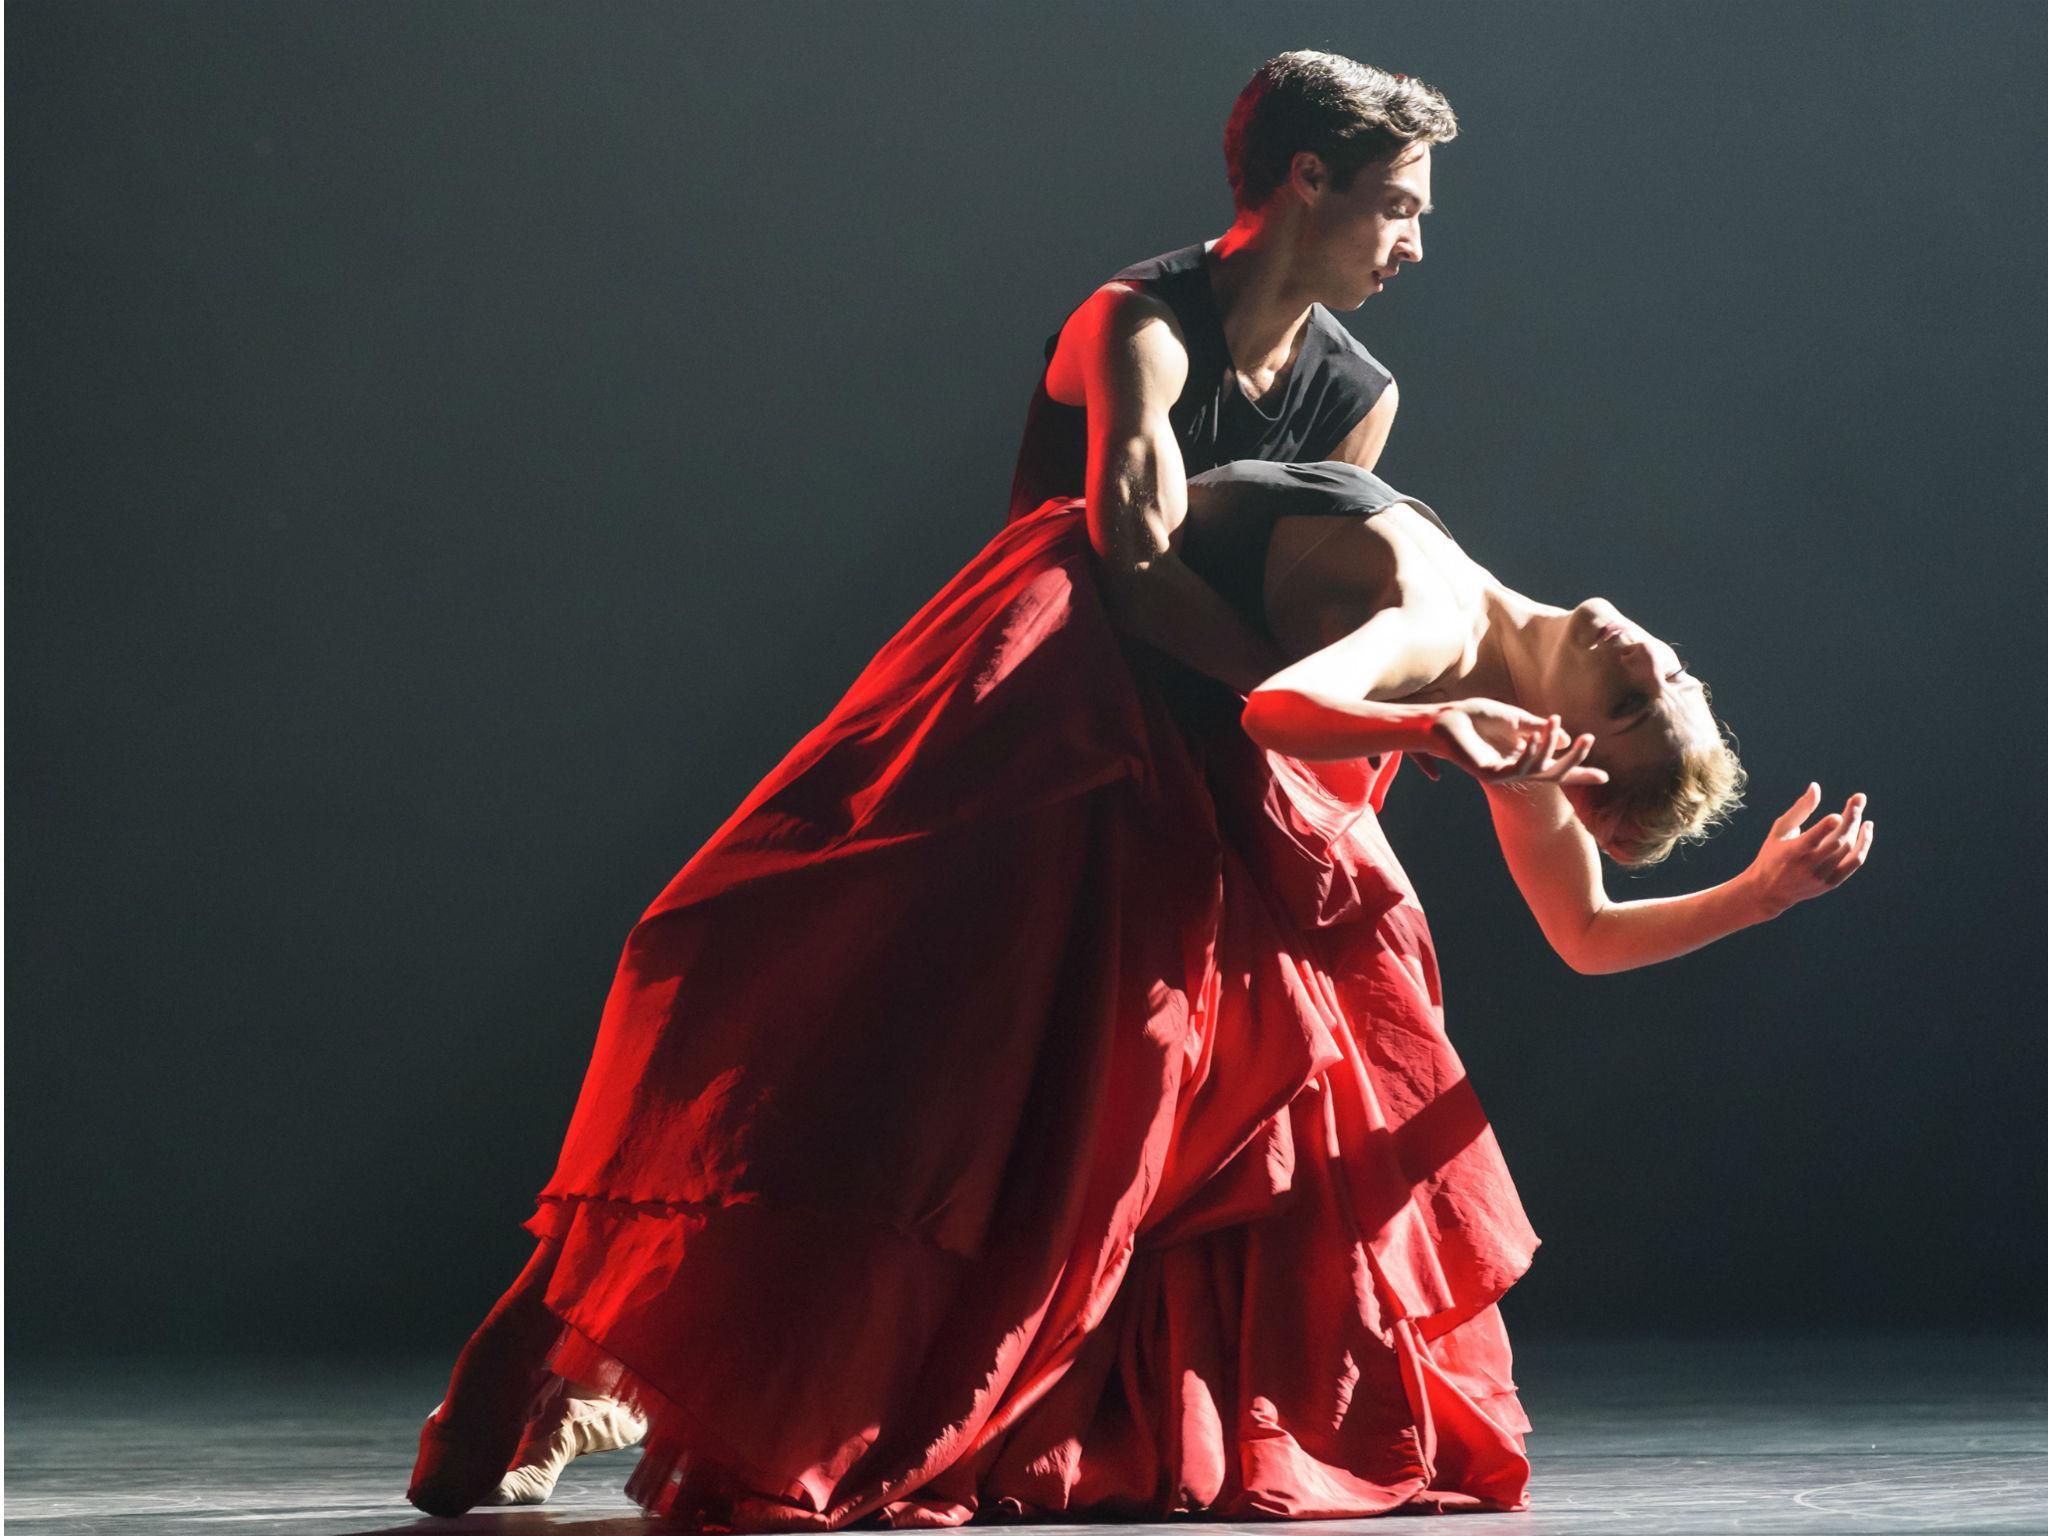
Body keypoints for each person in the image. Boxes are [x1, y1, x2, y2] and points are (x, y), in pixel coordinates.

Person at [405, 459, 1870, 1524]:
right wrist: (1447, 728)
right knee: (896, 1054)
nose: (1635, 655)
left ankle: (667, 1377)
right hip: (1119, 752)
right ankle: (607, 1365)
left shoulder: (1449, 635)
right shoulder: (1500, 672)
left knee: (978, 1114)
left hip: (1133, 777)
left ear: (1572, 735)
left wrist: (1750, 894)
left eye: (1630, 699)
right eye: (1664, 675)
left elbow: (1565, 916)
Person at [1009, 50, 1456, 700]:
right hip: (1046, 703)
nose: (1414, 246)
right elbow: (1139, 577)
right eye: (1397, 207)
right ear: (1309, 174)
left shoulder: (1360, 397)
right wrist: (1325, 707)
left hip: (1220, 712)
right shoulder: (1135, 324)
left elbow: (1293, 607)